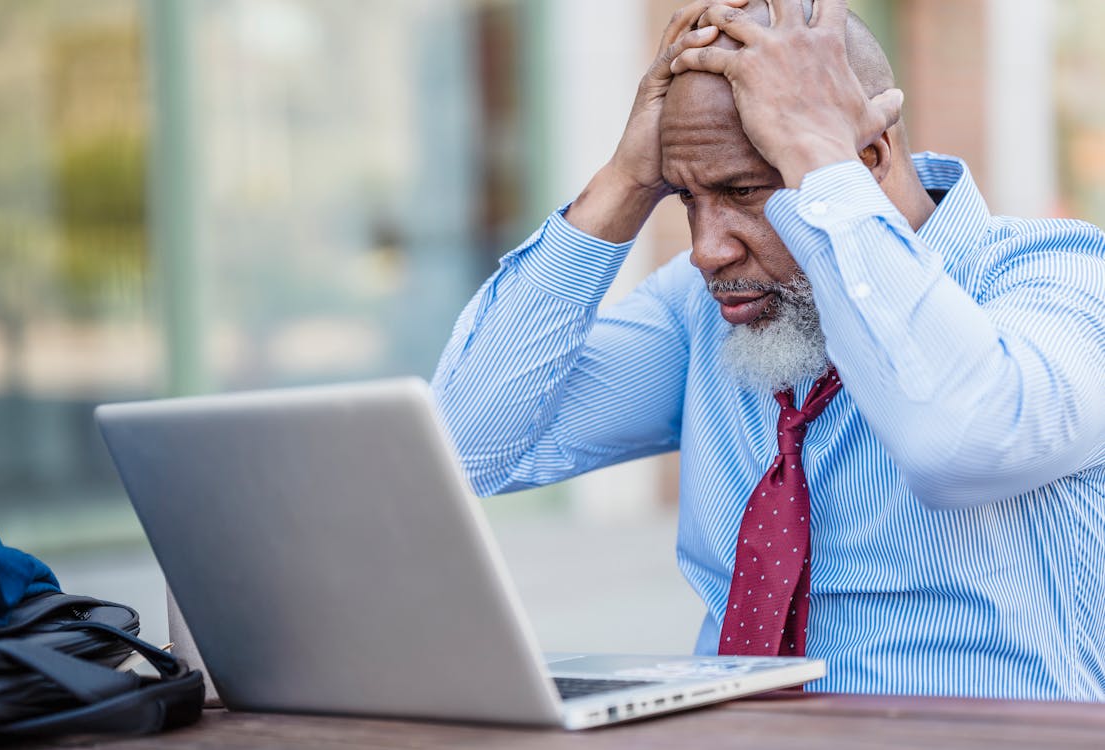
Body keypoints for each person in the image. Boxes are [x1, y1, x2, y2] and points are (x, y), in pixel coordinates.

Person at [431, 0, 1105, 700]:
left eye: (743, 191)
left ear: (866, 159)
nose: (705, 250)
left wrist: (817, 157)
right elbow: (464, 448)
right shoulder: (706, 310)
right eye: (683, 198)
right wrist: (623, 182)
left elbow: (959, 442)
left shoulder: (1060, 278)